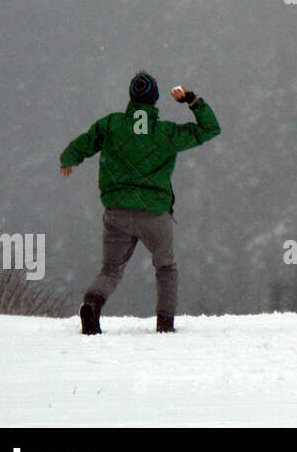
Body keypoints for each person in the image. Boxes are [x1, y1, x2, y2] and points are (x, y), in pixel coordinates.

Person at [59, 72, 220, 334]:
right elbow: (210, 129)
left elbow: (85, 143)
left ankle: (93, 302)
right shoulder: (166, 132)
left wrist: (68, 159)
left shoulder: (111, 125)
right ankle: (165, 323)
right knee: (165, 267)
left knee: (110, 269)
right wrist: (191, 100)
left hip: (117, 212)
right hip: (155, 214)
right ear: (155, 98)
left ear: (131, 97)